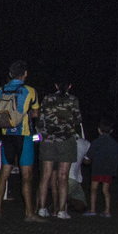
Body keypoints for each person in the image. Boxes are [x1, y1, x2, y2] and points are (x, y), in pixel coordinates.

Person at [0, 62, 39, 222]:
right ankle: (29, 213)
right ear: (25, 74)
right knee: (26, 176)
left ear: (11, 74)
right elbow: (35, 112)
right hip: (23, 135)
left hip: (6, 134)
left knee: (4, 173)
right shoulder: (30, 91)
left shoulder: (1, 90)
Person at [35, 84, 82, 220]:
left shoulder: (47, 98)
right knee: (63, 176)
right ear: (70, 86)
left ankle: (42, 208)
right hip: (66, 140)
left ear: (55, 85)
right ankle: (62, 210)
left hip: (48, 140)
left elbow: (40, 118)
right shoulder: (73, 99)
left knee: (46, 175)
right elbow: (78, 119)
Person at [82, 120, 118, 217]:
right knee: (106, 190)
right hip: (108, 170)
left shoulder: (96, 142)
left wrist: (85, 160)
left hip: (97, 169)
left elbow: (89, 156)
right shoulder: (114, 144)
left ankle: (93, 210)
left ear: (99, 130)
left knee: (93, 189)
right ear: (111, 130)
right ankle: (107, 211)